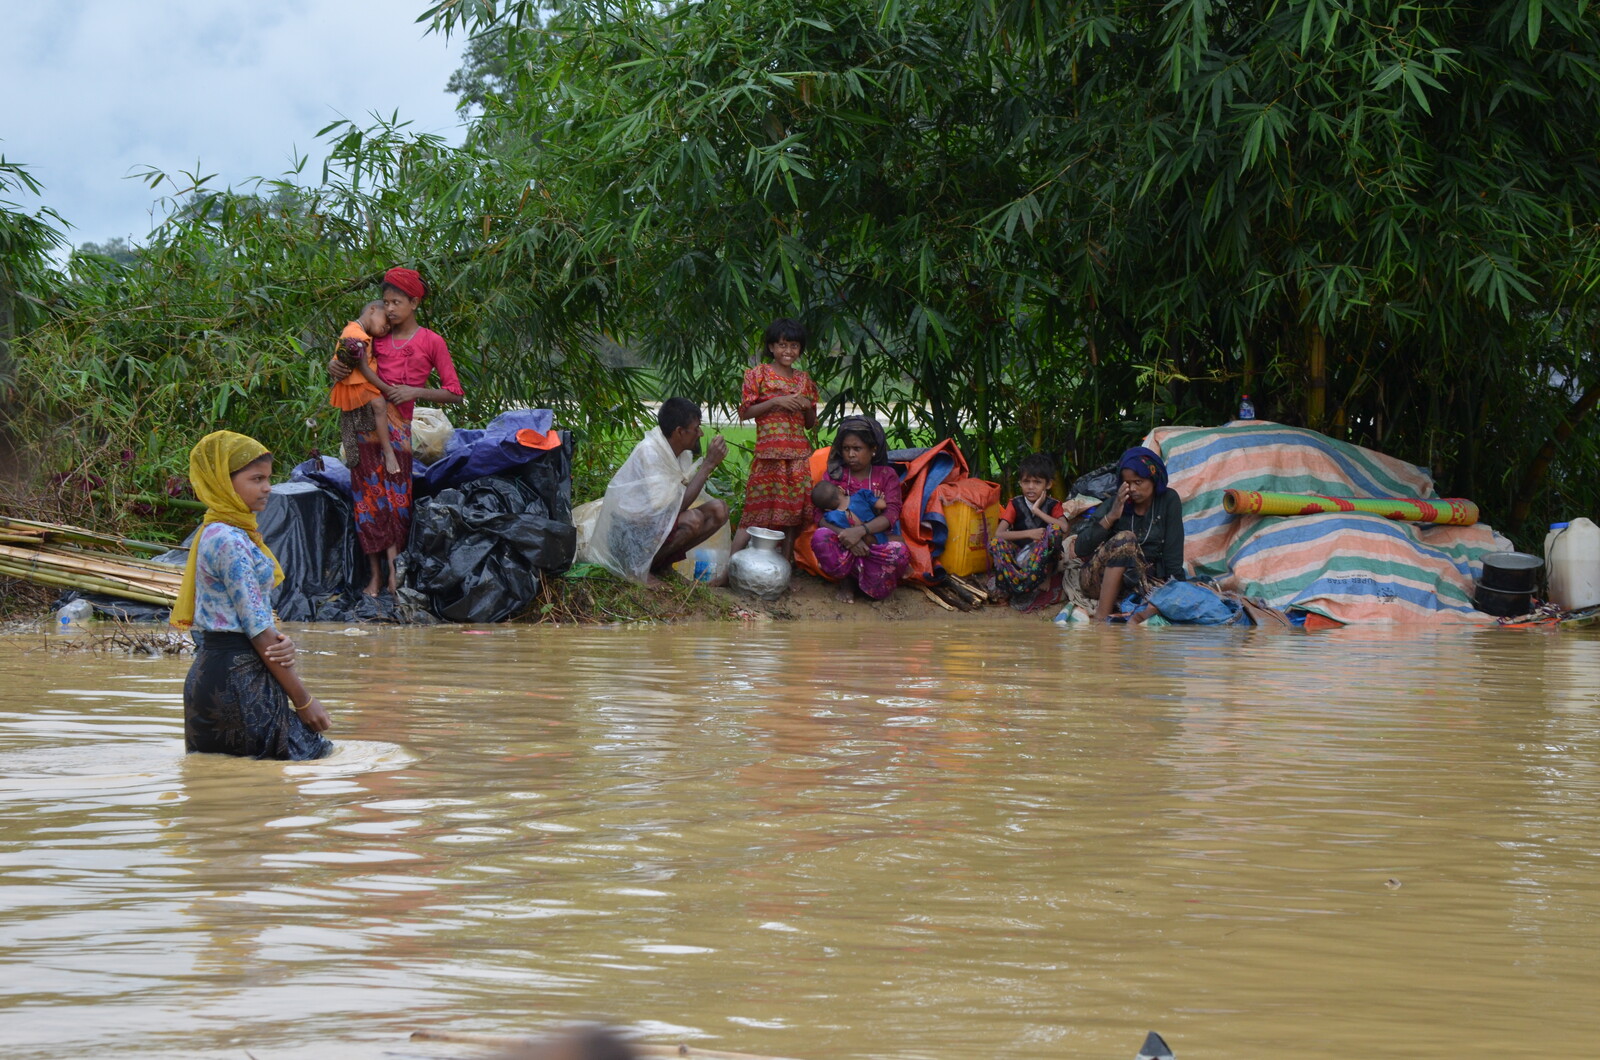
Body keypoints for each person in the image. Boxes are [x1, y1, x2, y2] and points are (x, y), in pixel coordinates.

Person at [171, 431, 333, 760]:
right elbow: (255, 628)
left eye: (268, 478)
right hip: (239, 682)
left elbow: (242, 619)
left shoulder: (219, 531)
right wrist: (304, 701)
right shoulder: (229, 539)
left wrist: (278, 639)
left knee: (220, 787)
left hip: (217, 673)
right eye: (256, 479)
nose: (267, 488)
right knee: (300, 768)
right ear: (222, 483)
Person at [327, 266, 464, 597]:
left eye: (396, 302)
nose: (389, 309)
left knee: (396, 504)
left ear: (414, 302)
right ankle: (374, 577)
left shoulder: (431, 341)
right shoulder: (376, 334)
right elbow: (346, 360)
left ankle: (394, 576)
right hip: (363, 428)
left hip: (399, 430)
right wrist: (334, 366)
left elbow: (454, 392)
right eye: (385, 302)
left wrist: (415, 392)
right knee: (367, 504)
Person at [581, 398, 730, 584]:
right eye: (696, 428)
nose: (700, 433)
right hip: (628, 535)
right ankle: (637, 570)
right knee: (693, 520)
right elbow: (670, 508)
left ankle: (661, 565)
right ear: (679, 432)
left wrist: (708, 465)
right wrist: (708, 465)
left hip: (657, 524)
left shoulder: (682, 453)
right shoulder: (650, 452)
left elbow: (673, 508)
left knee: (719, 509)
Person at [733, 318, 819, 558]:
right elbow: (745, 412)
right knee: (753, 511)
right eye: (782, 345)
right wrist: (775, 402)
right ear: (771, 347)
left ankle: (786, 566)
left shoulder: (804, 381)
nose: (788, 351)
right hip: (768, 455)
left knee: (792, 516)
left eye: (793, 346)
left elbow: (810, 423)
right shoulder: (757, 375)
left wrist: (807, 407)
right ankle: (730, 568)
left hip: (798, 457)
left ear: (800, 349)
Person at [1073, 445, 1186, 622]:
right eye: (1128, 483)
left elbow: (1173, 553)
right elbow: (1081, 547)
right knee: (1126, 539)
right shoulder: (1117, 502)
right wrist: (1111, 516)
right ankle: (1101, 620)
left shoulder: (1168, 501)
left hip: (1139, 583)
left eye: (1138, 482)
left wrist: (1178, 588)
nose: (1132, 489)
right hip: (1096, 582)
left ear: (1153, 479)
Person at [809, 415, 910, 601]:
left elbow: (891, 514)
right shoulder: (834, 475)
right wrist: (848, 537)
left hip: (877, 544)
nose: (851, 454)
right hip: (844, 543)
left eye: (857, 448)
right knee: (820, 537)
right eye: (846, 449)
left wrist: (860, 531)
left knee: (900, 552)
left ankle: (870, 583)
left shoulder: (887, 475)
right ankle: (846, 581)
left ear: (873, 449)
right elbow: (819, 516)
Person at [989, 451, 1088, 600]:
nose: (1031, 487)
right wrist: (1029, 533)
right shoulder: (1015, 503)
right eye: (1026, 482)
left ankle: (1047, 574)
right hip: (1020, 552)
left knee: (1054, 530)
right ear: (1020, 483)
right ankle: (1010, 583)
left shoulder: (1053, 505)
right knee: (996, 543)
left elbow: (1064, 527)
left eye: (1037, 482)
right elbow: (999, 533)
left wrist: (1037, 510)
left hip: (1042, 557)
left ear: (1048, 484)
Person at [328, 300, 401, 475]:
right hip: (356, 383)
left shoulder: (354, 330)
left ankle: (354, 455)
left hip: (354, 383)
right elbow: (363, 369)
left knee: (351, 426)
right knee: (379, 406)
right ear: (372, 310)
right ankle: (388, 451)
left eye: (391, 327)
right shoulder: (358, 336)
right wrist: (387, 388)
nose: (387, 328)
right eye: (386, 321)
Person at [812, 479, 887, 544]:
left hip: (858, 548)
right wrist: (877, 499)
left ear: (827, 509)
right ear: (841, 489)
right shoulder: (861, 495)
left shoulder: (830, 517)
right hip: (880, 539)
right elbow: (883, 505)